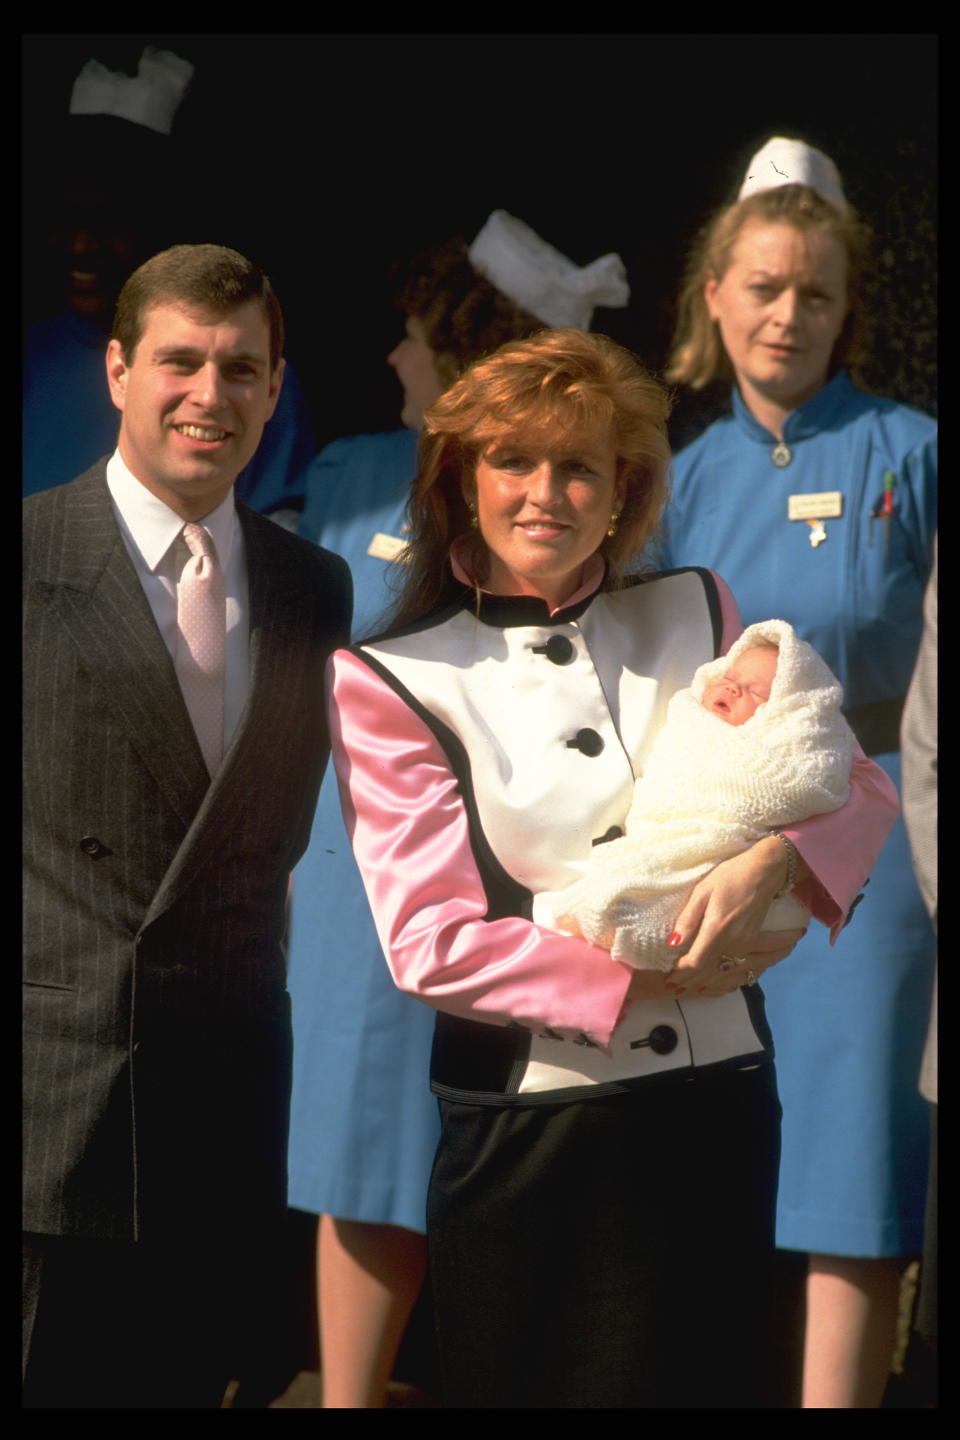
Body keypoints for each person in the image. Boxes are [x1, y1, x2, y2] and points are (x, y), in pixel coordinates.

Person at [324, 327, 898, 1408]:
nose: (547, 493)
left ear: (623, 488)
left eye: (579, 464)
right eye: (514, 461)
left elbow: (855, 785)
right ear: (463, 477)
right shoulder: (390, 678)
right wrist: (643, 973)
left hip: (722, 1113)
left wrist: (774, 864)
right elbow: (429, 943)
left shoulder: (704, 609)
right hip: (538, 1140)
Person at [287, 211, 629, 1407]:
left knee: (477, 1150)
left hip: (496, 871)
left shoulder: (546, 508)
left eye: (417, 338)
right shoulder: (336, 473)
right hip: (349, 874)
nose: (393, 360)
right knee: (358, 1159)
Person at [22, 244, 352, 1409]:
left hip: (221, 1113)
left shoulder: (316, 587)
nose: (210, 395)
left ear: (275, 387)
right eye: (180, 361)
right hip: (48, 1118)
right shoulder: (27, 557)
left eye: (241, 368)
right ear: (116, 371)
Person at [659, 136, 938, 1407]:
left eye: (814, 292)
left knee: (849, 1155)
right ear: (714, 294)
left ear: (848, 309)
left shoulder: (912, 452)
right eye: (763, 286)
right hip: (698, 841)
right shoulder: (667, 472)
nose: (786, 314)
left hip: (873, 846)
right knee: (695, 1140)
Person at [23, 49, 316, 521]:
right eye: (67, 218)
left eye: (108, 223)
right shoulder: (32, 360)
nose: (81, 245)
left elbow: (278, 552)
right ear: (118, 371)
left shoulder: (248, 375)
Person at [542, 621, 854, 970]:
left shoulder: (702, 604)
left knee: (638, 903)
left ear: (786, 718)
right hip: (563, 968)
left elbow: (834, 783)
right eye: (728, 679)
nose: (732, 688)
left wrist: (780, 858)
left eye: (756, 693)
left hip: (723, 864)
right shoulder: (692, 721)